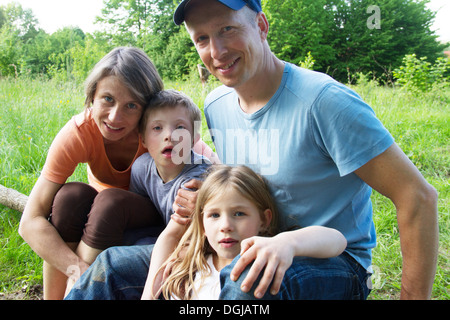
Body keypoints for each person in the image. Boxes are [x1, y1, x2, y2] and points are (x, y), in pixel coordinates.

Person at [66, 0, 438, 300]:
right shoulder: (216, 104)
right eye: (202, 38)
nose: (217, 50)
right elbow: (234, 181)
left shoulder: (324, 102)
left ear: (261, 26)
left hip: (331, 260)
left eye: (228, 29)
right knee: (111, 268)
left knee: (242, 280)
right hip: (241, 241)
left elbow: (418, 197)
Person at [18, 47, 211, 300]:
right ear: (92, 96)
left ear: (147, 107)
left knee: (111, 201)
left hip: (152, 214)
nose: (115, 116)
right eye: (107, 99)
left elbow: (214, 170)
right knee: (68, 198)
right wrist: (79, 271)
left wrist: (207, 194)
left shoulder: (160, 131)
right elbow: (30, 222)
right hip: (103, 213)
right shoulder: (80, 132)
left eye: (131, 105)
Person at [142, 165, 347, 300]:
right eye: (214, 215)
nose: (226, 225)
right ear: (203, 226)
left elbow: (338, 240)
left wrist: (288, 242)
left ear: (265, 220)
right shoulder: (189, 269)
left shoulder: (271, 253)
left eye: (239, 213)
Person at [129, 89, 211, 228]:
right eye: (157, 128)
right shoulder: (141, 167)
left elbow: (179, 235)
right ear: (143, 139)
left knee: (112, 251)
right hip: (160, 232)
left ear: (193, 140)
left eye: (180, 127)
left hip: (190, 239)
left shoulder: (197, 177)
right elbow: (136, 214)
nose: (169, 135)